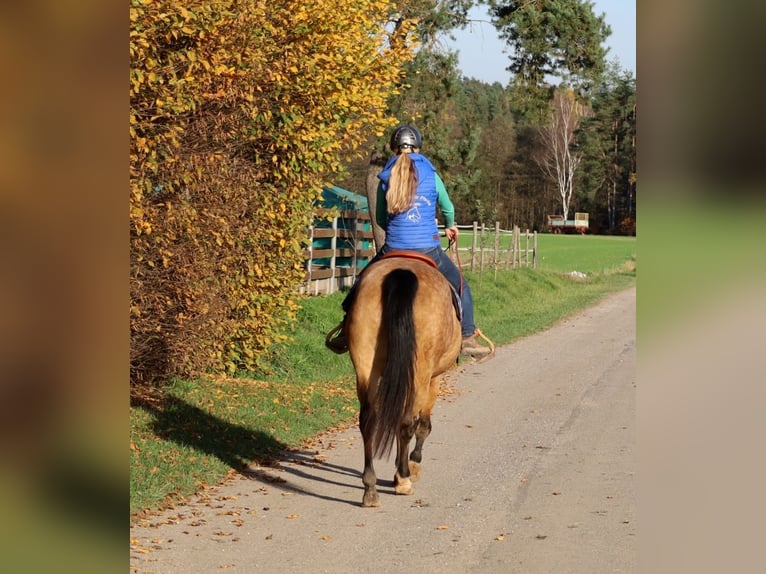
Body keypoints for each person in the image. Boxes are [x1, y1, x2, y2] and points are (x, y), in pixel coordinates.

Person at [325, 124, 492, 359]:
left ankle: (345, 329)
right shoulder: (431, 174)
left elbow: (381, 218)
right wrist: (450, 225)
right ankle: (467, 337)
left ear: (394, 148)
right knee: (462, 286)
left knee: (362, 281)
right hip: (428, 248)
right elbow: (447, 207)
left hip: (393, 247)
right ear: (418, 147)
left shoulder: (386, 175)